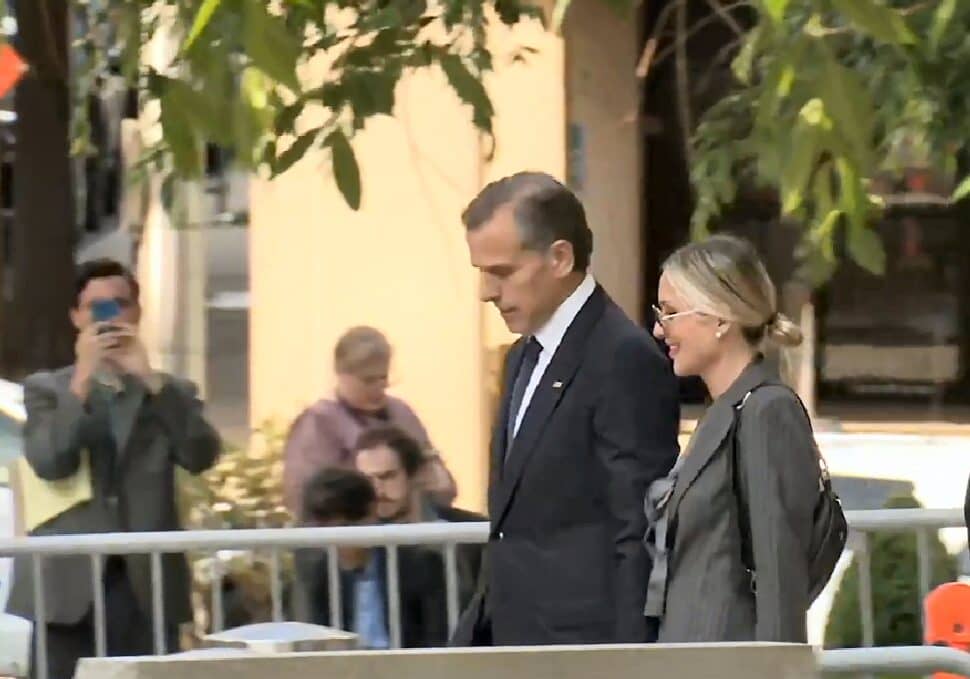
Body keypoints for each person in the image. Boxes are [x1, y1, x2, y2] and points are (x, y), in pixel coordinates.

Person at [452, 172, 680, 646]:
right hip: (513, 637)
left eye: (501, 271)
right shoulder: (522, 356)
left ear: (560, 258)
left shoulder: (622, 357)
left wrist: (630, 659)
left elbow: (637, 528)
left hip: (582, 649)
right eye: (481, 272)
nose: (486, 292)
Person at [6, 259, 221, 678]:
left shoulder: (172, 392)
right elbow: (50, 461)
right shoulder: (47, 389)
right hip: (66, 584)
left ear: (137, 313)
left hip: (145, 582)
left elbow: (200, 455)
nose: (109, 318)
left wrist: (150, 381)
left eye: (119, 305)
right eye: (95, 308)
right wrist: (82, 382)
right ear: (76, 317)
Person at [645, 234, 818, 643]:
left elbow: (779, 575)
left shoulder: (766, 412)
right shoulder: (725, 411)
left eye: (670, 313)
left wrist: (779, 670)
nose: (657, 329)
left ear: (720, 319)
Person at [282, 326, 457, 518]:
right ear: (341, 375)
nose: (378, 388)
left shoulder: (402, 413)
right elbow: (302, 496)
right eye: (368, 380)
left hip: (411, 530)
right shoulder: (318, 423)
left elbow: (442, 482)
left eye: (383, 378)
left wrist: (434, 479)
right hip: (351, 535)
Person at [290, 468, 448, 648]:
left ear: (373, 512)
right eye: (327, 529)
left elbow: (437, 637)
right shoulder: (314, 573)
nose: (340, 540)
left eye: (347, 526)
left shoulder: (418, 564)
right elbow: (310, 642)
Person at [354, 425, 484, 607]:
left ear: (416, 474)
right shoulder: (356, 544)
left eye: (387, 477)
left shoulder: (471, 534)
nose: (376, 490)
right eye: (366, 480)